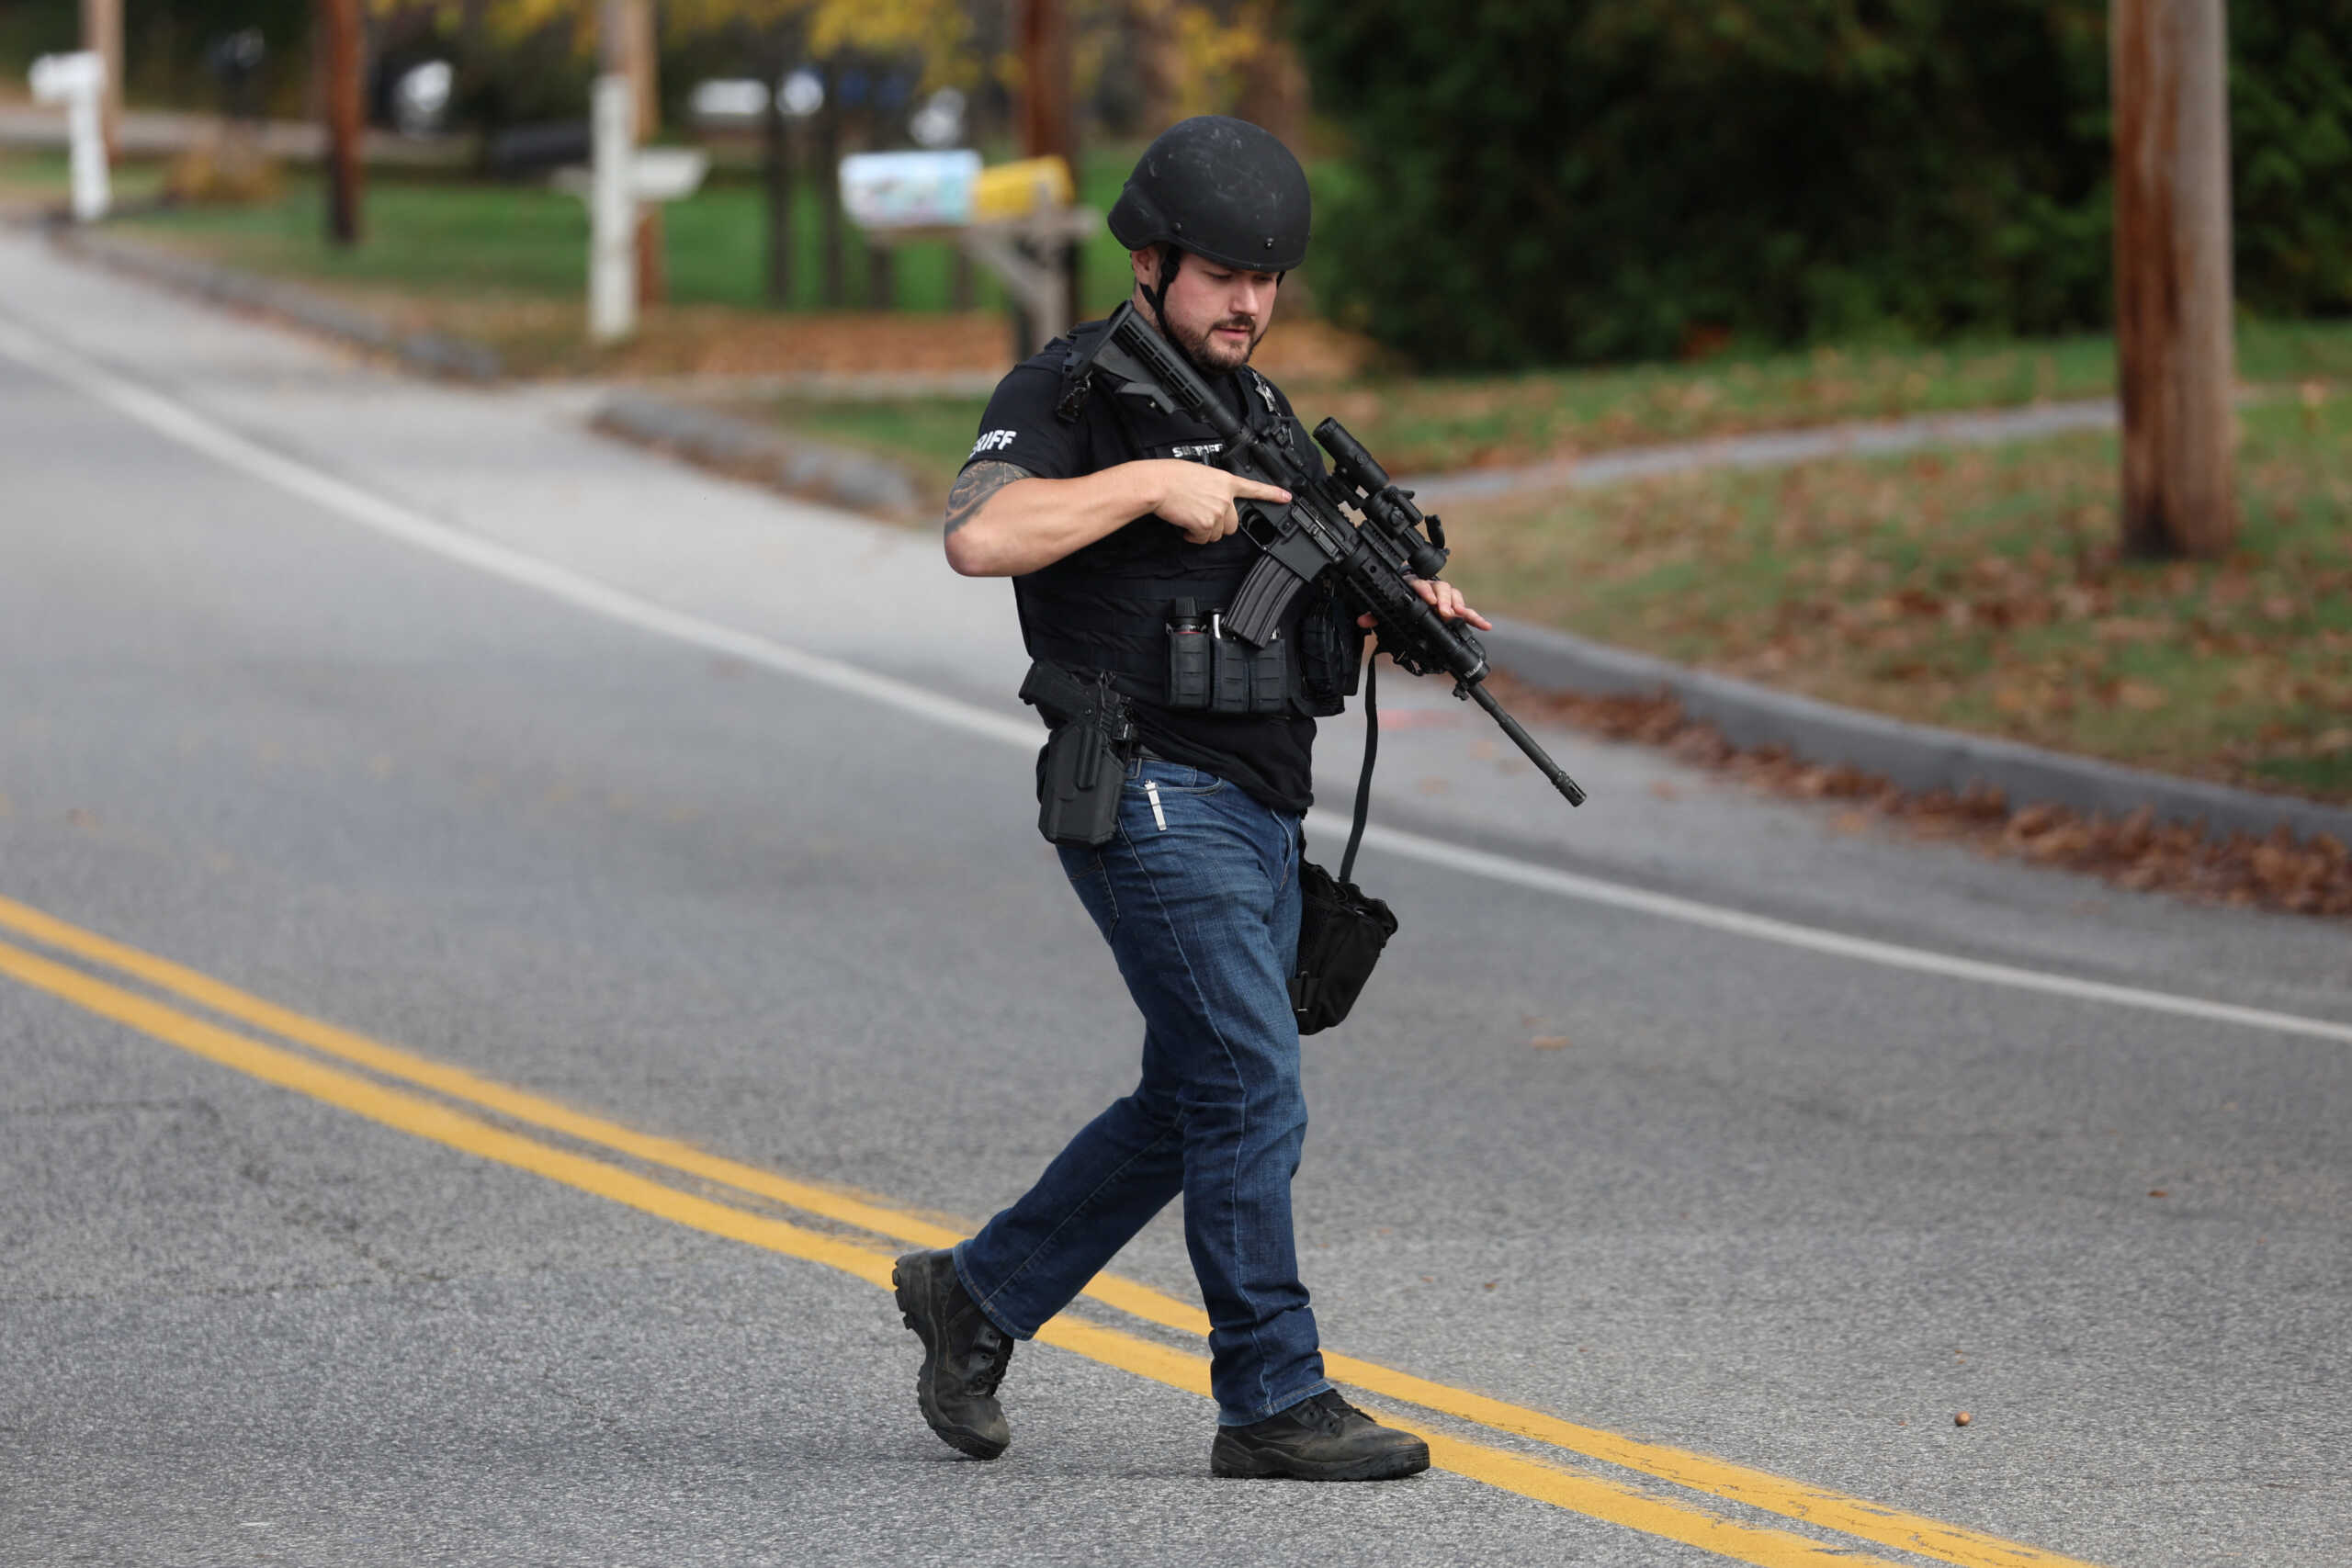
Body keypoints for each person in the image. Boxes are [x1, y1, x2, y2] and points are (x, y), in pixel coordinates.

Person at [893, 116, 1485, 1483]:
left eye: (1271, 278)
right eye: (1225, 273)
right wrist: (1153, 482)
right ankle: (1273, 1397)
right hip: (1149, 790)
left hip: (1264, 811)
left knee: (1195, 1094)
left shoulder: (1264, 416)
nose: (1252, 301)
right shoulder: (1071, 392)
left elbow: (1298, 600)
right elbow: (981, 533)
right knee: (1248, 1081)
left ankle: (975, 1300)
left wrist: (1401, 609)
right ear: (1153, 260)